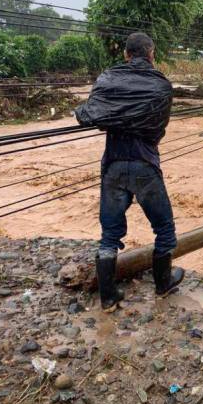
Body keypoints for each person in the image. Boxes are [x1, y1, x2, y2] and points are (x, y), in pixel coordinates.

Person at [80, 32, 184, 309]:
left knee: (109, 235)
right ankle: (163, 285)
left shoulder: (108, 79)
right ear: (151, 54)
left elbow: (89, 114)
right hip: (145, 165)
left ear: (126, 54)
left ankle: (108, 299)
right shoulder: (161, 86)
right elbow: (157, 127)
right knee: (164, 229)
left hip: (113, 165)